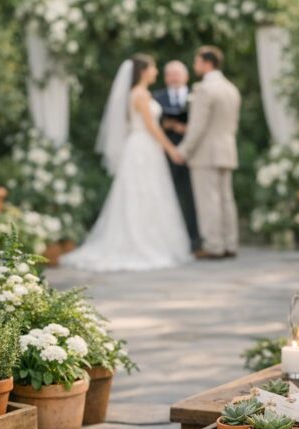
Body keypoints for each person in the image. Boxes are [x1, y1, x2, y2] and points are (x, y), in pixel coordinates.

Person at [62, 54, 191, 272]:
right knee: (140, 193)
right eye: (153, 68)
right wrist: (171, 149)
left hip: (146, 148)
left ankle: (155, 240)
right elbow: (152, 127)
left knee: (151, 193)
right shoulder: (139, 94)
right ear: (142, 71)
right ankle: (140, 242)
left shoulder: (143, 93)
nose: (156, 72)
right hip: (141, 147)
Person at [172, 46, 242, 259]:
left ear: (207, 63)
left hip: (206, 153)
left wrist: (182, 150)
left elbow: (197, 126)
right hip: (227, 150)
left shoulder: (204, 89)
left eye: (197, 61)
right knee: (226, 199)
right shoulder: (231, 89)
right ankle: (230, 243)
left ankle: (213, 246)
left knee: (209, 200)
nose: (195, 65)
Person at [152, 61, 201, 252]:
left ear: (186, 76)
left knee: (192, 196)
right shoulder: (157, 97)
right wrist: (170, 126)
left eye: (177, 74)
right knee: (168, 195)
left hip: (192, 154)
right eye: (170, 74)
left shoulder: (196, 96)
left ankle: (194, 238)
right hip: (165, 153)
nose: (174, 77)